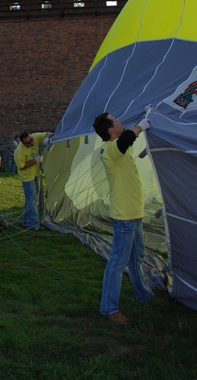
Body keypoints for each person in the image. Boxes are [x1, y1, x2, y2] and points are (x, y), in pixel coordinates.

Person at [92, 112, 155, 325]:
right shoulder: (111, 149)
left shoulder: (118, 148)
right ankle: (109, 309)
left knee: (136, 257)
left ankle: (143, 294)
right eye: (116, 120)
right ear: (111, 130)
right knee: (117, 262)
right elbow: (128, 137)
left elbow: (127, 138)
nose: (120, 121)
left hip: (133, 214)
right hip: (125, 217)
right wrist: (143, 125)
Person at [13, 130, 53, 229]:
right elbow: (21, 166)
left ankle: (26, 221)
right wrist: (35, 160)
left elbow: (49, 133)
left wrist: (47, 138)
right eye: (28, 143)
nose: (32, 143)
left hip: (35, 173)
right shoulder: (19, 151)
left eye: (31, 140)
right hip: (27, 176)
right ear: (23, 143)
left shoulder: (34, 137)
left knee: (31, 198)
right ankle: (33, 223)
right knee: (32, 199)